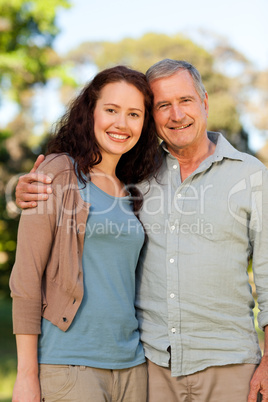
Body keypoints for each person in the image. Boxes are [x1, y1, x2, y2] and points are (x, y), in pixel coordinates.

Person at [14, 59, 268, 402]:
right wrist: (25, 193)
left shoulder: (244, 175)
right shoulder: (103, 173)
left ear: (204, 102)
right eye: (163, 105)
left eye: (185, 101)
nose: (176, 115)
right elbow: (31, 273)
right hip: (125, 366)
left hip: (187, 366)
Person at [9, 65, 160, 402]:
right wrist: (26, 376)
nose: (122, 123)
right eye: (111, 110)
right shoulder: (59, 173)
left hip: (132, 367)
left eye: (134, 114)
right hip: (70, 366)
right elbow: (26, 278)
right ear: (90, 112)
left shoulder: (134, 190)